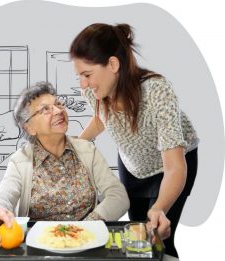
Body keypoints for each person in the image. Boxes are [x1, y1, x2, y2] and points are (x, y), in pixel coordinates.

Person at [70, 23, 199, 257]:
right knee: (136, 238)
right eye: (80, 76)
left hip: (171, 166)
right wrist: (77, 144)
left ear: (113, 64)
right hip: (132, 165)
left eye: (87, 75)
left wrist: (159, 208)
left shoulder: (157, 91)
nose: (83, 84)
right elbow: (102, 118)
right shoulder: (92, 90)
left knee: (158, 240)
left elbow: (175, 167)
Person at [0, 82, 130, 248]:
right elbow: (3, 196)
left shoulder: (87, 149)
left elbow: (118, 195)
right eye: (45, 109)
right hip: (40, 246)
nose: (59, 111)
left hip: (87, 242)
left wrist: (86, 226)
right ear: (30, 128)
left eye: (58, 104)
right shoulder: (20, 161)